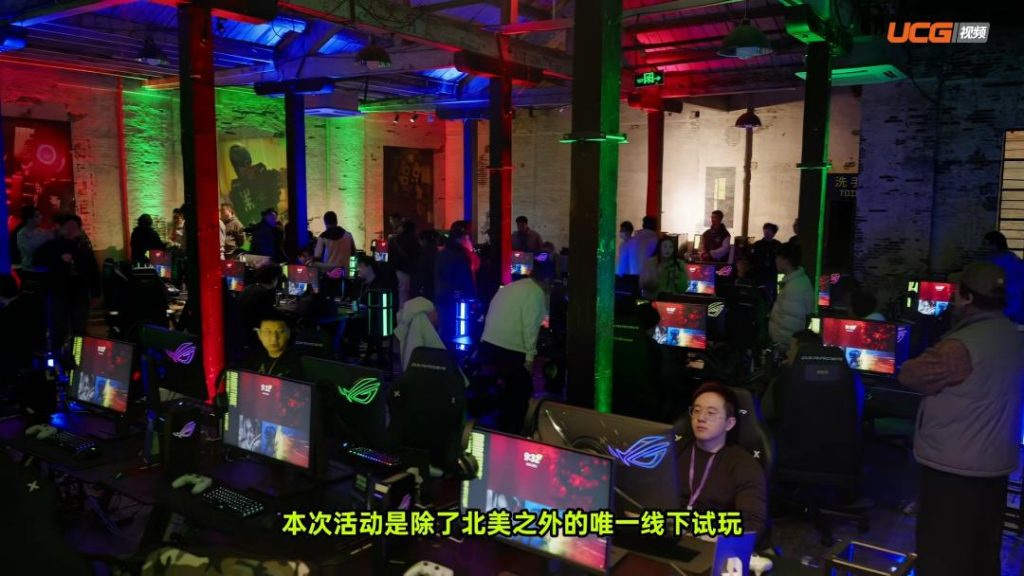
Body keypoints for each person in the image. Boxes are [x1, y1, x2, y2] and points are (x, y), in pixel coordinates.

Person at [898, 261, 1024, 576]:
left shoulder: (961, 346)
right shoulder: (1013, 335)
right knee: (982, 553)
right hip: (996, 466)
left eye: (955, 292)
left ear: (967, 297)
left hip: (954, 472)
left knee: (942, 557)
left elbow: (910, 375)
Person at [677, 383, 767, 536]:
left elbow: (753, 523)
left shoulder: (743, 465)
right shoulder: (675, 450)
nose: (701, 418)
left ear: (729, 423)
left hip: (712, 539)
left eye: (711, 413)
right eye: (696, 411)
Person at [480, 256, 552, 434]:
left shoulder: (513, 286)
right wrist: (530, 358)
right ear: (547, 280)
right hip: (509, 349)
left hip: (489, 343)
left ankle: (499, 424)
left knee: (509, 387)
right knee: (521, 391)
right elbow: (530, 327)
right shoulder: (535, 293)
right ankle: (512, 431)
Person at [34, 214, 99, 350]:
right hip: (59, 293)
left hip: (79, 293)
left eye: (74, 227)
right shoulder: (52, 246)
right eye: (68, 226)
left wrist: (95, 293)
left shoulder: (83, 247)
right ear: (61, 228)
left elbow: (93, 270)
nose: (71, 230)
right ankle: (58, 356)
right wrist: (59, 261)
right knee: (59, 329)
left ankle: (78, 355)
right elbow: (37, 263)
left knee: (79, 328)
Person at [435, 225, 477, 342]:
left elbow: (438, 274)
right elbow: (466, 276)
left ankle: (443, 349)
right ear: (459, 238)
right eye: (465, 238)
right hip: (457, 296)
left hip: (442, 294)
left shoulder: (442, 253)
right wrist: (472, 295)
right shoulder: (461, 255)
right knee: (458, 329)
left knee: (445, 328)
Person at [768, 243, 814, 350]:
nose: (776, 261)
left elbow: (789, 325)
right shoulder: (798, 281)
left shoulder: (794, 288)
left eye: (778, 257)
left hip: (785, 348)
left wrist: (780, 347)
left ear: (786, 260)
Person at [242, 312, 301, 378]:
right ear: (259, 334)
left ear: (288, 333)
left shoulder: (299, 363)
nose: (274, 338)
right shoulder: (251, 358)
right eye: (268, 332)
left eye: (280, 332)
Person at [982, 231, 1023, 324]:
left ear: (994, 245)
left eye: (986, 244)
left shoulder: (998, 262)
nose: (983, 247)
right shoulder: (1012, 258)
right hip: (1014, 307)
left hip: (1008, 307)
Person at [239, 264, 281, 332]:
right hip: (255, 332)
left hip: (242, 330)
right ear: (273, 279)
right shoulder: (265, 294)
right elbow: (269, 317)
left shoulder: (247, 288)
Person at [389, 219, 421, 310]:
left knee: (402, 296)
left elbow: (390, 257)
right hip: (412, 272)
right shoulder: (415, 241)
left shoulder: (395, 240)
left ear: (403, 228)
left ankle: (402, 316)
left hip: (400, 270)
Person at [750, 222, 782, 297]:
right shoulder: (757, 244)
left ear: (774, 232)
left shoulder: (778, 245)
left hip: (773, 273)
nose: (767, 231)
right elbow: (752, 258)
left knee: (772, 292)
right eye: (765, 229)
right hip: (759, 272)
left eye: (769, 230)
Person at [411, 229, 439, 302]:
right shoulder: (438, 253)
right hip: (436, 287)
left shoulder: (421, 253)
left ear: (424, 240)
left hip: (424, 287)